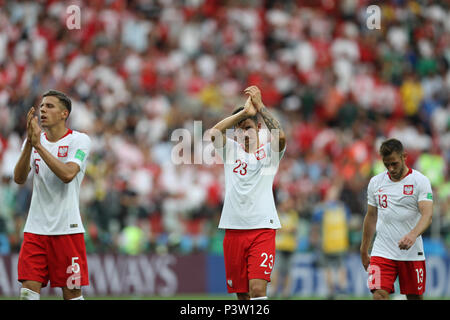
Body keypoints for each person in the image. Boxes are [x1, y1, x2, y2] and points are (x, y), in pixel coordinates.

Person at [13, 90, 91, 300]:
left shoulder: (80, 140)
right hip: (35, 229)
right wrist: (30, 144)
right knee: (28, 291)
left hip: (68, 229)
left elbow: (68, 174)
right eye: (41, 106)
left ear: (64, 113)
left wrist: (38, 145)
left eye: (49, 106)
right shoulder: (33, 141)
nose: (43, 110)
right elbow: (19, 178)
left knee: (72, 293)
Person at [210, 85, 286, 300]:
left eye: (249, 127)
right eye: (240, 128)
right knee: (242, 296)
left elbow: (280, 137)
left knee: (258, 291)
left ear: (258, 127)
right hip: (233, 230)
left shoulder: (269, 153)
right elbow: (215, 133)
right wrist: (244, 114)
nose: (245, 132)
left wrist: (260, 106)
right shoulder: (230, 150)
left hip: (262, 228)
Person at [360, 138, 433, 300]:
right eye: (387, 164)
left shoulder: (420, 181)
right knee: (378, 295)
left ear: (404, 157)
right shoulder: (376, 182)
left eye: (394, 163)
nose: (391, 169)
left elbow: (427, 216)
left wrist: (412, 235)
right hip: (381, 251)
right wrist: (364, 249)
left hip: (411, 253)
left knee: (414, 297)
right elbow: (371, 216)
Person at [311, 182, 350, 299]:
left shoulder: (322, 208)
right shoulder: (341, 208)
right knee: (331, 268)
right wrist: (315, 238)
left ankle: (340, 291)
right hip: (328, 243)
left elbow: (315, 225)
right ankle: (334, 291)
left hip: (338, 242)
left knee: (339, 267)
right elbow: (315, 226)